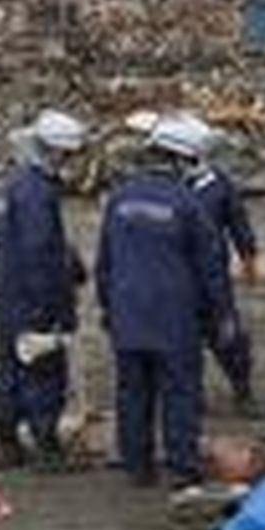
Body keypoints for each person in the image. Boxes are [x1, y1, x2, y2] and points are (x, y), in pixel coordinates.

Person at [96, 115, 234, 487]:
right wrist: (221, 316)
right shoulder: (189, 205)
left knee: (132, 392)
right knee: (180, 392)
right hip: (175, 319)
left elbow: (104, 263)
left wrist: (108, 308)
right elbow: (211, 271)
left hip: (128, 314)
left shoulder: (119, 199)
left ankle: (137, 466)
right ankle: (182, 468)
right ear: (183, 159)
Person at [0, 108, 88, 464]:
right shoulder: (37, 193)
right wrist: (56, 309)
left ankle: (7, 441)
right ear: (58, 151)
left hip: (8, 293)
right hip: (34, 296)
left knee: (10, 367)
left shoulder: (15, 184)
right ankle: (46, 443)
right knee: (43, 369)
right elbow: (40, 253)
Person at [173, 113, 256, 406]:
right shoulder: (172, 185)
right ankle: (191, 395)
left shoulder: (219, 185)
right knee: (184, 341)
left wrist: (248, 257)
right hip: (178, 276)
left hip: (213, 277)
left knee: (228, 335)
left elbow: (238, 223)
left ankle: (242, 386)